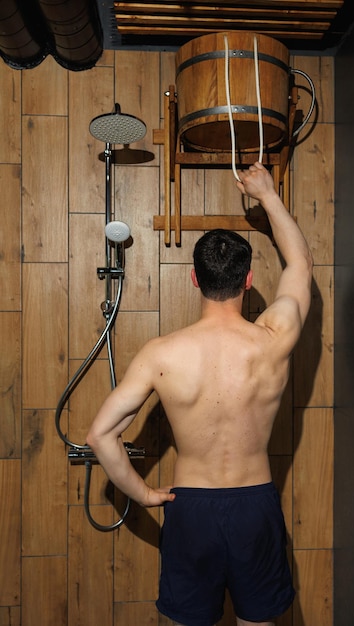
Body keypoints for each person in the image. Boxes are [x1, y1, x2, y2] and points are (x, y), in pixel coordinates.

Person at [86, 161, 313, 626]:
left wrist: (146, 494)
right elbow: (300, 264)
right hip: (255, 506)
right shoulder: (275, 336)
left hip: (190, 510)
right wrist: (267, 195)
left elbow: (100, 436)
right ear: (248, 281)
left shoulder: (161, 354)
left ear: (195, 279)